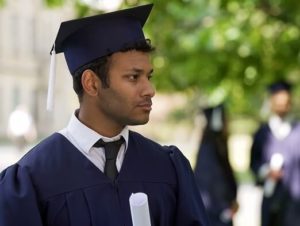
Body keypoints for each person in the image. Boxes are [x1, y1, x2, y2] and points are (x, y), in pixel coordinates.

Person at [0, 4, 210, 226]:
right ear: (91, 83)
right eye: (133, 77)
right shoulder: (32, 179)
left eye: (149, 76)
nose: (150, 89)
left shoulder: (167, 167)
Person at [250, 80, 300, 226]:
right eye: (277, 103)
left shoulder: (298, 130)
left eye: (284, 103)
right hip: (270, 198)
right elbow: (253, 162)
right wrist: (266, 171)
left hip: (295, 202)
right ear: (271, 103)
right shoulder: (263, 132)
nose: (281, 107)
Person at [194, 104, 239, 226]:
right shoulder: (209, 148)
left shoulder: (216, 145)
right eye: (225, 120)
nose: (227, 124)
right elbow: (214, 182)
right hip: (216, 213)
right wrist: (227, 204)